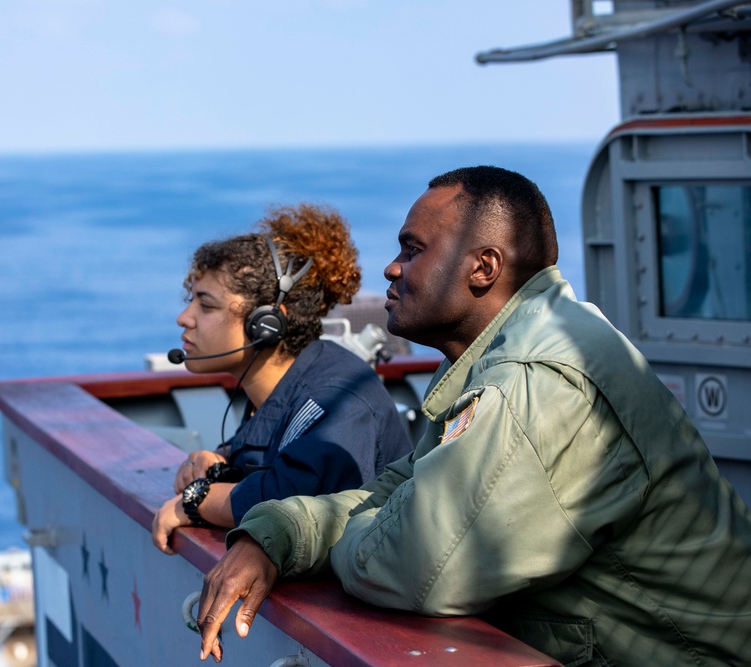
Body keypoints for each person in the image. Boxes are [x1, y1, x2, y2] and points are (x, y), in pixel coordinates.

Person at [195, 167, 751, 665]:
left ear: (483, 267)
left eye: (412, 250)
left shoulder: (533, 380)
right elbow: (393, 494)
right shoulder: (499, 349)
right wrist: (275, 534)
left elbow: (410, 568)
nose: (391, 267)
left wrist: (351, 532)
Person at [151, 203, 414, 555]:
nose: (185, 318)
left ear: (268, 323)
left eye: (206, 305)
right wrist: (214, 462)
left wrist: (195, 500)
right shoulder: (281, 386)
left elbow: (290, 501)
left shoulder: (334, 398)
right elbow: (261, 458)